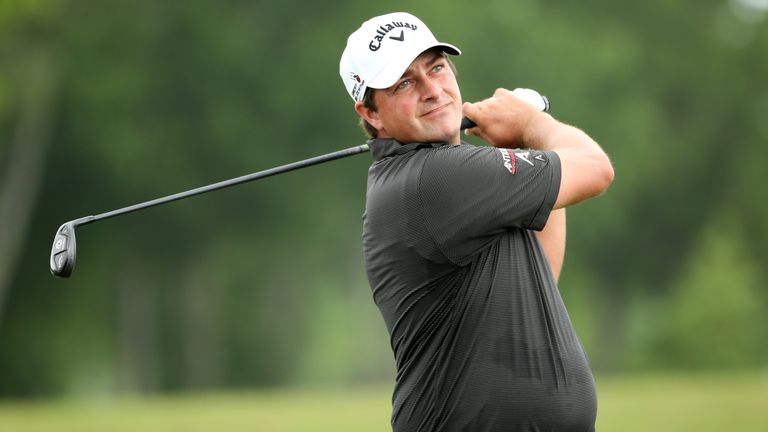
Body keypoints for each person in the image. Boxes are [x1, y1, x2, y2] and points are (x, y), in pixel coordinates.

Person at [339, 12, 614, 432]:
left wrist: (526, 150)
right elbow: (596, 169)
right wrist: (532, 122)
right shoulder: (434, 179)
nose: (433, 90)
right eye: (405, 83)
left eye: (437, 67)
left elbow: (543, 274)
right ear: (371, 113)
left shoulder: (452, 182)